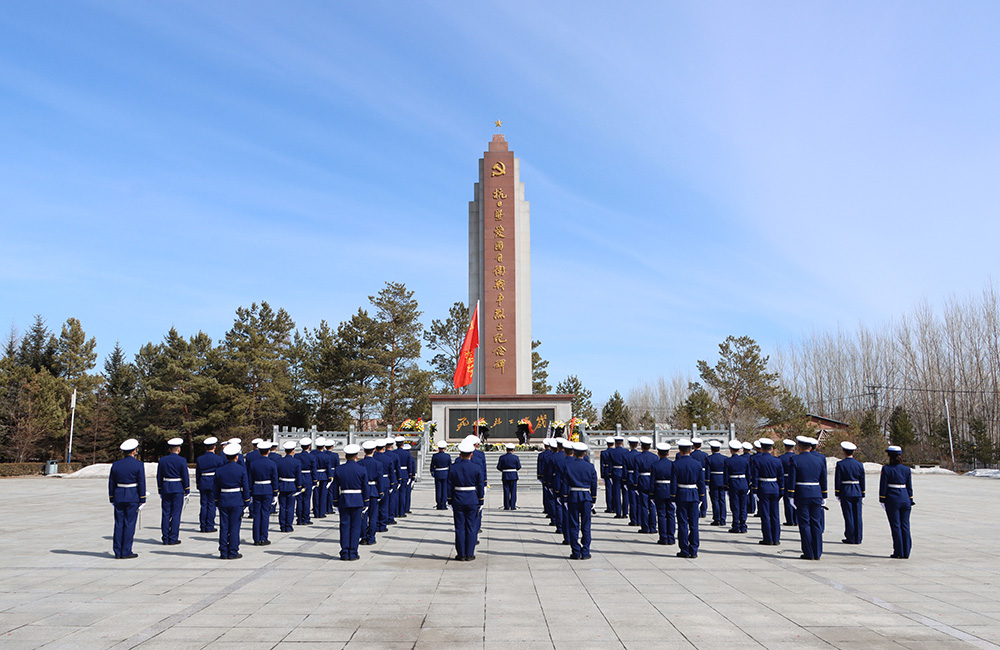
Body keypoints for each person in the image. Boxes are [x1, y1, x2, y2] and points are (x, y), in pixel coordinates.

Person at [789, 436, 827, 560]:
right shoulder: (819, 460)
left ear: (799, 447)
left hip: (802, 493)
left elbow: (792, 479)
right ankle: (817, 552)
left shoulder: (795, 459)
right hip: (816, 493)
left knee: (805, 524)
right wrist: (824, 495)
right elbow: (823, 479)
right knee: (816, 523)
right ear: (810, 448)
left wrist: (791, 495)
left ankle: (808, 552)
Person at [332, 444, 369, 560]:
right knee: (355, 527)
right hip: (358, 500)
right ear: (356, 456)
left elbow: (335, 487)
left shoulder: (339, 469)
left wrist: (335, 501)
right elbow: (365, 487)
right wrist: (366, 502)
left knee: (344, 526)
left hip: (344, 499)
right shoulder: (362, 469)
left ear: (346, 456)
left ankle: (344, 552)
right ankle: (353, 552)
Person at [448, 440, 485, 561]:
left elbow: (449, 485)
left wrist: (450, 500)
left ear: (460, 454)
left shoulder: (453, 467)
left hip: (458, 499)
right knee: (471, 527)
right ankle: (469, 553)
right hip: (472, 499)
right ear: (471, 454)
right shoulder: (477, 467)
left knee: (459, 527)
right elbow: (480, 485)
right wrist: (481, 500)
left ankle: (461, 554)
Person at [109, 438, 145, 559]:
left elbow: (112, 482)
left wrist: (112, 497)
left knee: (119, 524)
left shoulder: (116, 464)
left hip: (119, 496)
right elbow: (141, 482)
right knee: (129, 524)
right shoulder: (138, 465)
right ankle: (126, 551)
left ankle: (117, 551)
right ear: (134, 451)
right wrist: (142, 498)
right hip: (132, 496)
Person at [214, 442, 250, 559]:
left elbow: (216, 487)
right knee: (234, 527)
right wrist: (247, 501)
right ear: (236, 457)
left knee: (224, 526)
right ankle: (233, 551)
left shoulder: (219, 470)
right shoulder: (241, 470)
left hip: (223, 499)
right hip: (236, 500)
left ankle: (223, 551)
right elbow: (245, 487)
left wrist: (216, 500)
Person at [562, 442, 598, 559]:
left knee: (573, 525)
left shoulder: (568, 466)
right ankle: (586, 551)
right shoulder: (590, 466)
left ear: (574, 453)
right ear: (585, 453)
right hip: (586, 497)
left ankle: (576, 552)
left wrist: (565, 498)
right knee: (586, 525)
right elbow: (594, 484)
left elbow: (565, 484)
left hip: (573, 496)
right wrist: (593, 499)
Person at [671, 439, 705, 558]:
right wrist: (701, 497)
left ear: (680, 450)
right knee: (694, 524)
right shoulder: (697, 464)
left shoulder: (676, 464)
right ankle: (694, 549)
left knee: (682, 524)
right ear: (691, 450)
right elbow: (701, 482)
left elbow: (673, 483)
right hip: (694, 494)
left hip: (681, 495)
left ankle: (684, 549)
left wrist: (673, 497)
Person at [880, 445, 913, 559]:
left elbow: (883, 485)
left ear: (890, 456)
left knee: (896, 526)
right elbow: (909, 486)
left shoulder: (886, 469)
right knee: (905, 525)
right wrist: (910, 499)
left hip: (892, 499)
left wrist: (882, 499)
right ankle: (906, 551)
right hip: (905, 498)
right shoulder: (906, 469)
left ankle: (898, 551)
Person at [156, 437, 189, 545]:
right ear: (178, 449)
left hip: (166, 487)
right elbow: (185, 475)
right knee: (176, 514)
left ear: (169, 449)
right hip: (178, 488)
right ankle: (173, 537)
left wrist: (160, 488)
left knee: (166, 514)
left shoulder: (163, 460)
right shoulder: (182, 460)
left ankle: (165, 538)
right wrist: (187, 489)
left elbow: (159, 476)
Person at [753, 438, 784, 546]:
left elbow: (755, 477)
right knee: (775, 514)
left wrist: (755, 490)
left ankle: (768, 538)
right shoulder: (777, 460)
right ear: (771, 448)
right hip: (775, 487)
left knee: (765, 514)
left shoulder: (757, 460)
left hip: (763, 487)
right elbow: (781, 477)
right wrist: (781, 490)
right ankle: (776, 538)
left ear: (761, 448)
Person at [835, 441, 865, 545]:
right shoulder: (859, 464)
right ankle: (858, 537)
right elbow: (862, 479)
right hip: (857, 490)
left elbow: (838, 480)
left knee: (848, 515)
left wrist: (837, 492)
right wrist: (863, 492)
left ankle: (850, 536)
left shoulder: (840, 464)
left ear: (844, 452)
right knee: (858, 515)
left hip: (846, 491)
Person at [248, 441, 278, 546]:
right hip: (267, 489)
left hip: (256, 489)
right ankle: (263, 537)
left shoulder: (253, 464)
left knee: (256, 515)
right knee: (265, 514)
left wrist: (250, 492)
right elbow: (274, 479)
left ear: (259, 452)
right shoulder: (272, 463)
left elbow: (250, 479)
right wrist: (275, 493)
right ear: (268, 451)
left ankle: (256, 538)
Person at [196, 437, 224, 533]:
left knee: (204, 504)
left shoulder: (200, 459)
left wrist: (198, 483)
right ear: (214, 447)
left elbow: (198, 473)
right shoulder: (218, 459)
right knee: (212, 504)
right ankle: (210, 525)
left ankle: (203, 525)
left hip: (203, 482)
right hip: (213, 483)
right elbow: (221, 473)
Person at [358, 441, 382, 545]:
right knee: (373, 516)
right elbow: (380, 480)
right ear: (374, 450)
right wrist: (381, 492)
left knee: (363, 515)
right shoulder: (378, 464)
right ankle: (371, 537)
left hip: (363, 491)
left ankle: (363, 537)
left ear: (364, 451)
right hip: (373, 490)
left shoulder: (360, 463)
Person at [651, 442, 675, 546]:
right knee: (671, 515)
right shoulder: (672, 464)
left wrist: (651, 494)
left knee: (661, 515)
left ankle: (663, 537)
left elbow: (652, 481)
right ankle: (671, 537)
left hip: (659, 490)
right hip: (670, 490)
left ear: (658, 453)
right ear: (668, 453)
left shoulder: (655, 465)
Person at [275, 441, 302, 533]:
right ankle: (288, 525)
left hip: (282, 485)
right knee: (290, 507)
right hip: (292, 486)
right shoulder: (296, 462)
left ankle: (282, 526)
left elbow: (276, 476)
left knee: (282, 507)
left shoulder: (279, 462)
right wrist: (299, 487)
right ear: (293, 450)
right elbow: (298, 476)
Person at [724, 440, 750, 534]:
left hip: (733, 483)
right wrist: (748, 485)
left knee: (735, 506)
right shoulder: (745, 460)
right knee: (743, 505)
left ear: (731, 450)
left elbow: (726, 475)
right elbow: (748, 474)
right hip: (743, 483)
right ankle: (743, 525)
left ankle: (736, 525)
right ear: (739, 450)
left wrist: (726, 486)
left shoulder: (728, 461)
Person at [634, 437, 658, 534]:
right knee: (652, 505)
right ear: (650, 446)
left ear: (641, 446)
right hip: (652, 481)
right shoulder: (655, 457)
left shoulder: (638, 458)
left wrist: (635, 485)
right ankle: (653, 527)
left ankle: (645, 527)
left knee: (643, 506)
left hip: (642, 481)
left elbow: (636, 473)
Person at [373, 439, 395, 531]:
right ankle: (382, 525)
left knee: (375, 506)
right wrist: (392, 484)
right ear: (384, 447)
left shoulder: (373, 458)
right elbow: (392, 473)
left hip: (374, 483)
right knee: (384, 505)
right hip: (385, 482)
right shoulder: (388, 459)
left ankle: (375, 524)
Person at [705, 440, 727, 527]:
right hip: (722, 480)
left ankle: (717, 518)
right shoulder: (725, 458)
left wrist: (707, 482)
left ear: (711, 449)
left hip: (713, 480)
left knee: (715, 500)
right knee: (722, 500)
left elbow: (707, 472)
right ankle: (723, 519)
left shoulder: (709, 458)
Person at [296, 437, 316, 526]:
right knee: (307, 499)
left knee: (299, 499)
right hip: (308, 477)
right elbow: (314, 470)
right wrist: (315, 480)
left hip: (299, 477)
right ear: (309, 446)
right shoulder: (311, 457)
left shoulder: (297, 456)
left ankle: (299, 518)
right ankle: (306, 518)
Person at [496, 443, 522, 510]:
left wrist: (503, 470)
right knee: (513, 491)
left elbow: (499, 467)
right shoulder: (515, 457)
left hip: (505, 475)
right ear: (513, 450)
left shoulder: (502, 457)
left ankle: (506, 506)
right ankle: (513, 506)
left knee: (506, 491)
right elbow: (519, 467)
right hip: (513, 475)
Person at [689, 438, 709, 518]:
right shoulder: (705, 455)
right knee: (702, 491)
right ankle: (703, 510)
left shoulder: (691, 455)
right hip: (703, 473)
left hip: (693, 473)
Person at [779, 439, 798, 526]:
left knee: (787, 500)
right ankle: (796, 520)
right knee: (796, 499)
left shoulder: (781, 458)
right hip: (795, 480)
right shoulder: (797, 457)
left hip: (785, 479)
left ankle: (790, 520)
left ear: (785, 448)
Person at [310, 437, 330, 520]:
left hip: (316, 476)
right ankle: (322, 512)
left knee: (316, 495)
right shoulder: (326, 456)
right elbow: (328, 468)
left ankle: (316, 511)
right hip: (324, 476)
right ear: (324, 446)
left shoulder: (313, 455)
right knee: (323, 495)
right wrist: (330, 477)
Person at [430, 440, 452, 510]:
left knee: (438, 489)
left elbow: (432, 466)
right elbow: (450, 466)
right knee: (445, 489)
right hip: (445, 473)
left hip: (438, 473)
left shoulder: (435, 456)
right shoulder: (447, 456)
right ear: (445, 448)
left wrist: (433, 473)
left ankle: (439, 504)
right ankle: (444, 504)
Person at [600, 437, 615, 513]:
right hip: (615, 471)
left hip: (606, 471)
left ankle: (609, 507)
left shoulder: (604, 453)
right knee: (615, 490)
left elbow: (601, 464)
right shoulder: (615, 452)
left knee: (608, 490)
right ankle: (615, 507)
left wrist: (602, 474)